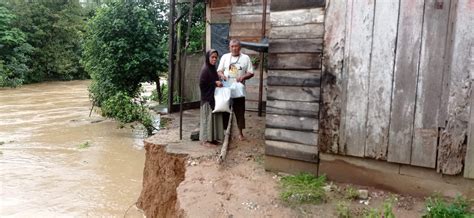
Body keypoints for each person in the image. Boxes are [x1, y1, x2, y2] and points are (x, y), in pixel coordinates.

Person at [217, 39, 254, 141]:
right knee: (224, 109)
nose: (234, 48)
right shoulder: (225, 57)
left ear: (240, 47)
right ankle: (224, 132)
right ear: (229, 47)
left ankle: (240, 133)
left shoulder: (245, 58)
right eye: (232, 46)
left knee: (240, 111)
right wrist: (222, 75)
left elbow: (251, 72)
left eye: (236, 46)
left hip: (238, 89)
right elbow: (219, 71)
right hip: (226, 89)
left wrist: (243, 77)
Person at [199, 49, 225, 147]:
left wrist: (218, 82)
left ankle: (212, 139)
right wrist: (214, 83)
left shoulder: (212, 68)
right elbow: (202, 84)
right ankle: (205, 141)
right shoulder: (205, 70)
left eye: (215, 57)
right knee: (207, 119)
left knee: (213, 119)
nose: (214, 59)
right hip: (207, 99)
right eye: (212, 57)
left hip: (213, 98)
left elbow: (214, 79)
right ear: (208, 58)